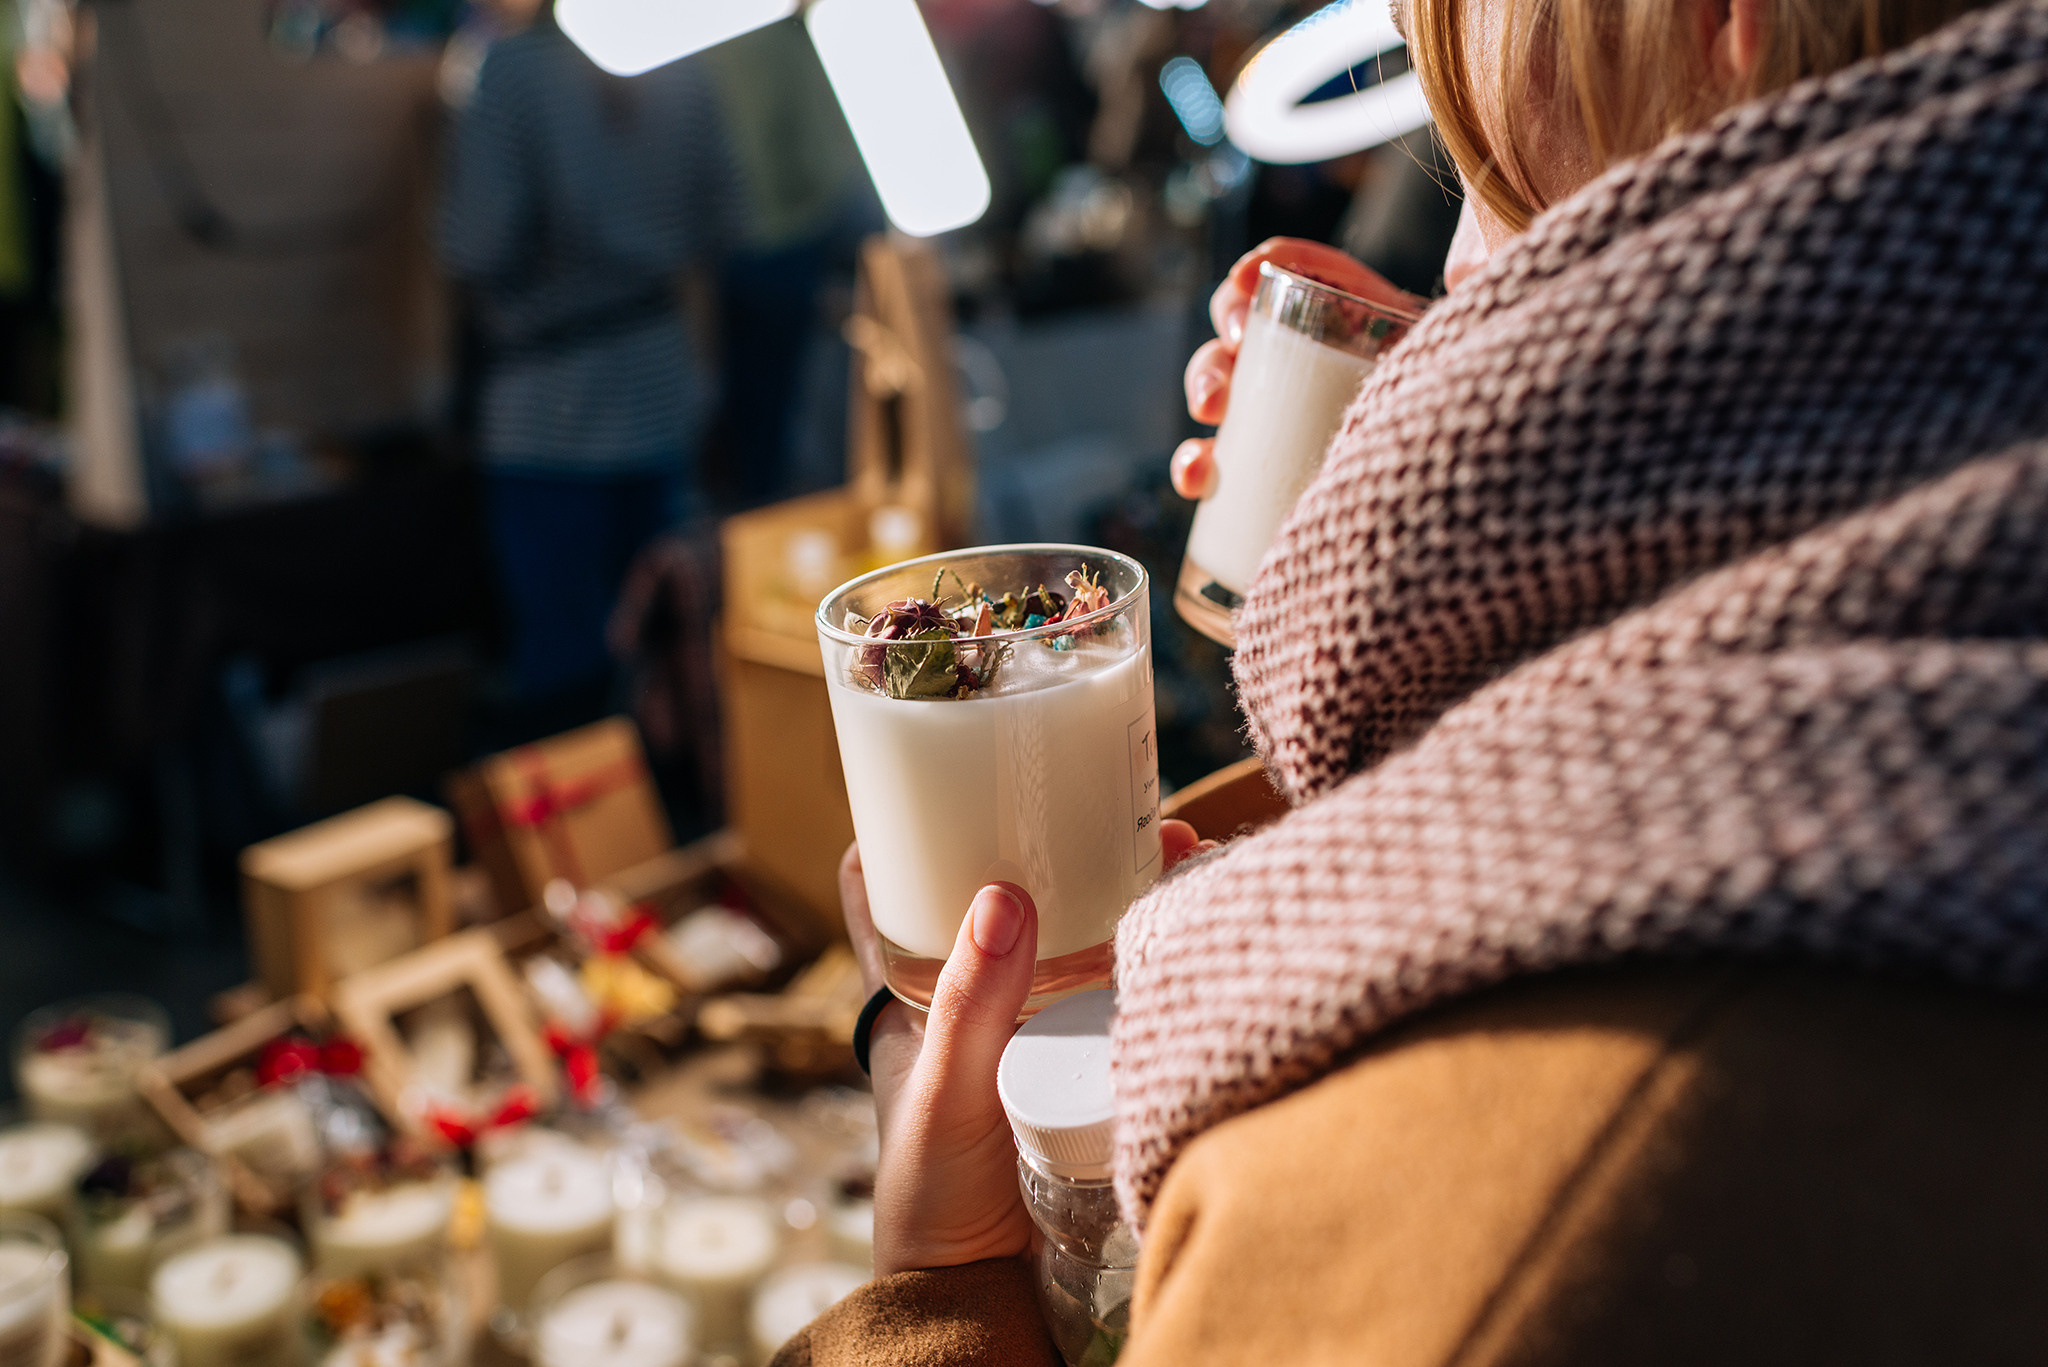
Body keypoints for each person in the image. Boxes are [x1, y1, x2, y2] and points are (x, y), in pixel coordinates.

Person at [777, 0, 2048, 1361]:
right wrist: (1485, 513)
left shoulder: (1496, 1188)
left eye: (1474, 149)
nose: (1447, 267)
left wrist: (949, 1281)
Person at [442, 7, 740, 725]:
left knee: (567, 676)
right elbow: (728, 218)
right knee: (671, 646)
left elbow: (473, 242)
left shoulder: (511, 70)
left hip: (549, 407)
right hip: (661, 385)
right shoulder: (684, 63)